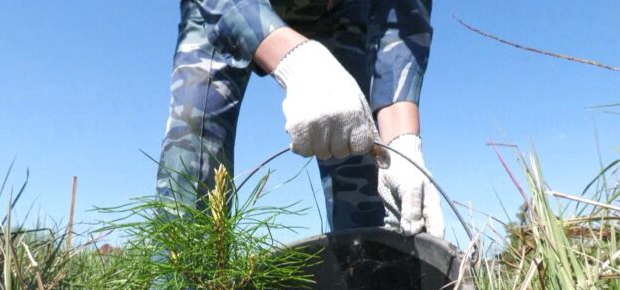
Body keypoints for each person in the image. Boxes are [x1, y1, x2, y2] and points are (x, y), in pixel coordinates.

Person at [157, 0, 444, 237]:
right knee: (192, 153)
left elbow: (402, 13)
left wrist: (402, 142)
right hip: (230, 5)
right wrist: (297, 60)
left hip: (343, 12)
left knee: (366, 175)